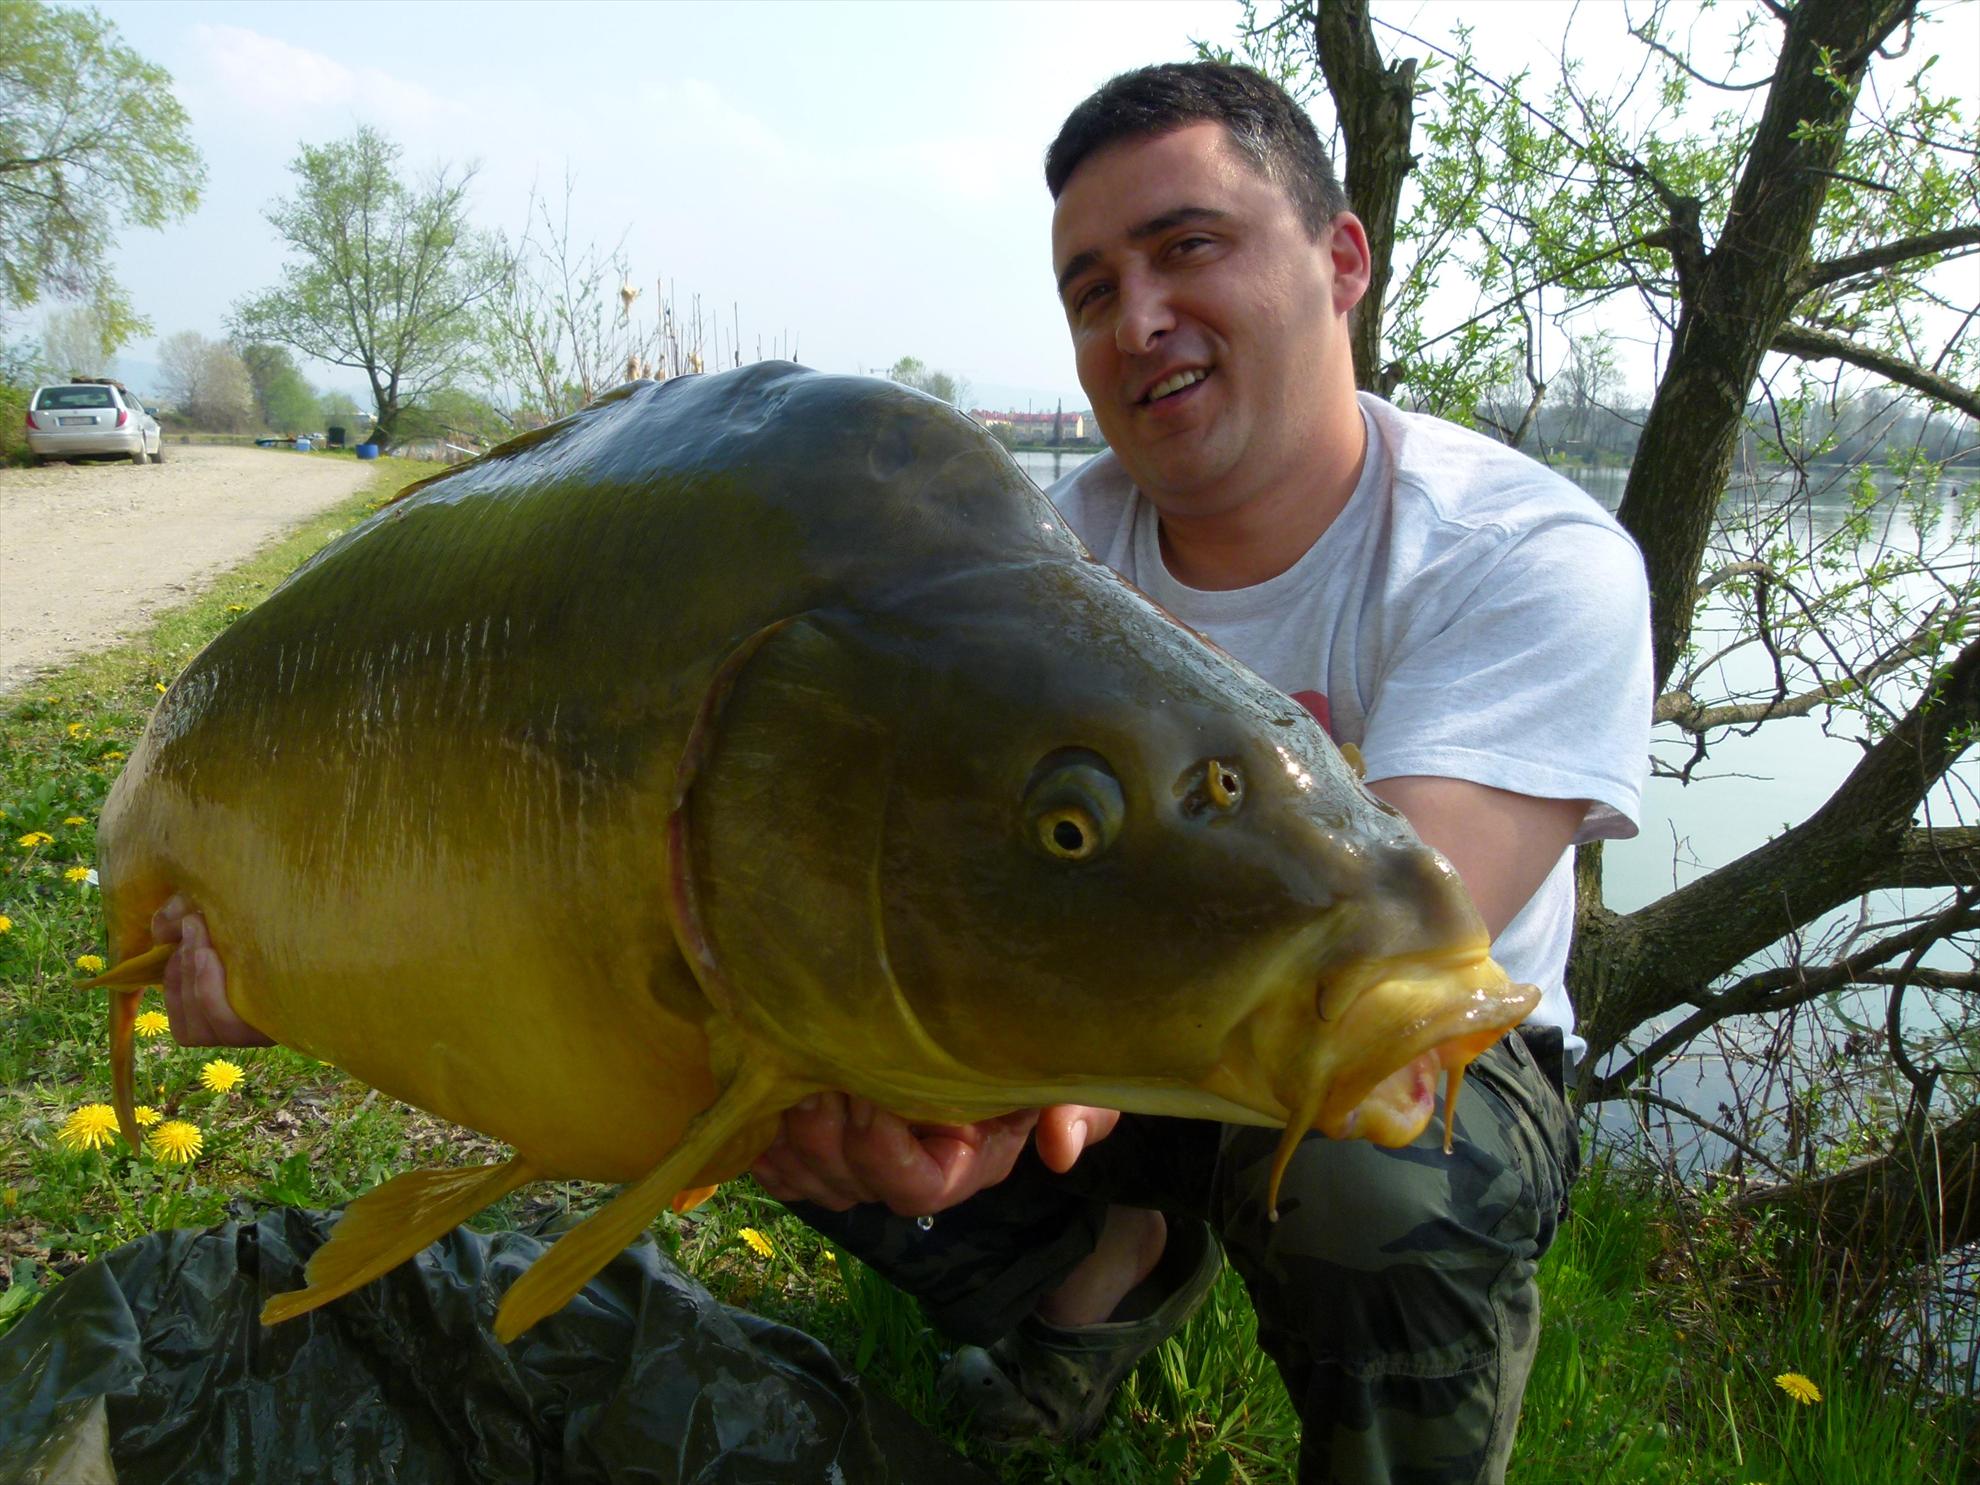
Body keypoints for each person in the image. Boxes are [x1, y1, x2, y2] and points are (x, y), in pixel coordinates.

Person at [157, 61, 1651, 1484]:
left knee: (1370, 1169)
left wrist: (990, 1089)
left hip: (1398, 1067)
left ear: (1340, 258)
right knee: (770, 1047)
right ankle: (1099, 1280)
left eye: (1189, 247)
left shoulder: (1526, 556)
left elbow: (1416, 910)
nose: (1141, 319)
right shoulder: (1018, 546)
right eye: (1092, 287)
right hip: (1093, 1043)